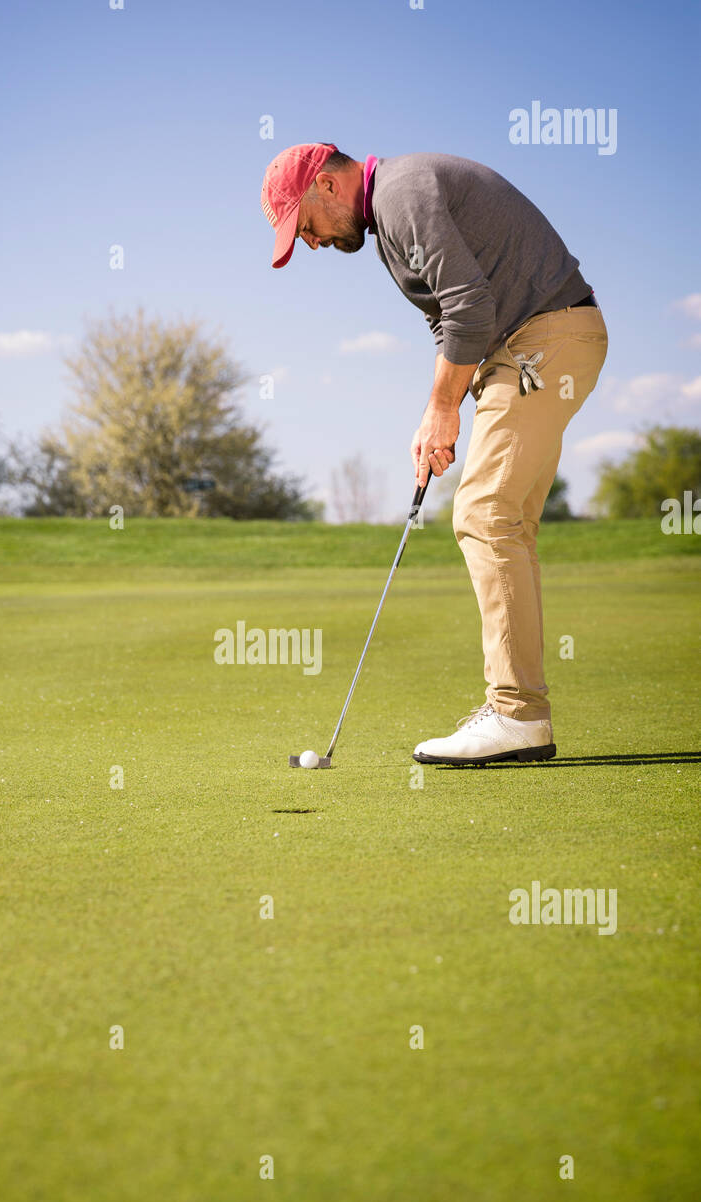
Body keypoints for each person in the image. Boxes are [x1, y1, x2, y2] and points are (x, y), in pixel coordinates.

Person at [261, 143, 608, 766]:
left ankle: (516, 714)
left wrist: (442, 407)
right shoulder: (392, 221)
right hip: (531, 345)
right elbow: (450, 321)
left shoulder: (401, 194)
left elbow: (469, 306)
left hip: (545, 337)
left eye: (305, 226)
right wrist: (440, 414)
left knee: (482, 513)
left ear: (328, 187)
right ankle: (521, 710)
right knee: (507, 523)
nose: (311, 243)